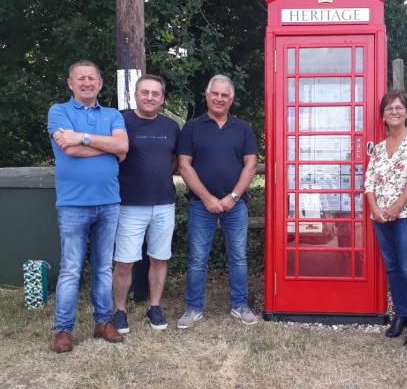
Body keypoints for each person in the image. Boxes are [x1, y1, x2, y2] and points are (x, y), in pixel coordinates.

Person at [47, 60, 128, 353]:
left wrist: (82, 138)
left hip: (109, 203)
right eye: (80, 78)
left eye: (92, 78)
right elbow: (66, 148)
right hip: (72, 204)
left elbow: (122, 147)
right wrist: (105, 147)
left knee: (104, 268)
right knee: (70, 269)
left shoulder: (112, 114)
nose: (86, 82)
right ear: (70, 83)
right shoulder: (58, 111)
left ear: (100, 83)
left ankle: (103, 322)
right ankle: (63, 330)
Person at [176, 74, 259, 328]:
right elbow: (184, 165)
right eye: (216, 94)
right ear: (207, 94)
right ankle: (194, 308)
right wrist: (208, 198)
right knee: (198, 257)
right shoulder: (192, 127)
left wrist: (232, 197)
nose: (219, 99)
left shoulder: (243, 128)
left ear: (231, 99)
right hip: (202, 205)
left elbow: (251, 165)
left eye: (225, 95)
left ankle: (239, 305)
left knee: (238, 257)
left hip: (236, 205)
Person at [111, 75, 180, 334]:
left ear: (162, 98)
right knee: (125, 261)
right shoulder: (120, 120)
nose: (150, 97)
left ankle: (155, 306)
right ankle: (120, 310)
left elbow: (175, 161)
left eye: (155, 94)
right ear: (135, 95)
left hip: (164, 203)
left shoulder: (171, 126)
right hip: (129, 203)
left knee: (160, 259)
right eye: (145, 93)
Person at [364, 90, 407, 348]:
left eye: (399, 107)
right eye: (389, 109)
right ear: (383, 116)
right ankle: (400, 315)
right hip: (380, 216)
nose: (394, 112)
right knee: (392, 268)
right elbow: (369, 181)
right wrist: (375, 208)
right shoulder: (378, 148)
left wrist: (395, 208)